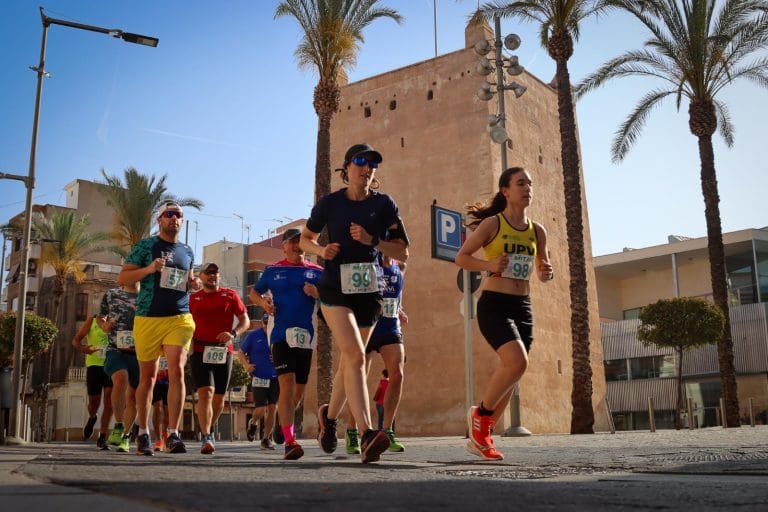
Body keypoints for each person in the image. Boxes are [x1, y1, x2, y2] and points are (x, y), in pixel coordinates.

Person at [300, 143, 409, 464]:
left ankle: (328, 417)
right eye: (360, 162)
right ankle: (366, 433)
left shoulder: (384, 204)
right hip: (335, 289)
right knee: (356, 356)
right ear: (346, 168)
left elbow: (403, 252)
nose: (367, 168)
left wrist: (372, 241)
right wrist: (321, 252)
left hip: (369, 293)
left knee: (351, 362)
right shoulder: (330, 204)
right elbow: (306, 237)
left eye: (372, 164)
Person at [455, 166, 554, 461]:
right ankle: (481, 418)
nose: (527, 188)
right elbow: (462, 258)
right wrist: (490, 265)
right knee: (516, 362)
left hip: (523, 307)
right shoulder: (492, 225)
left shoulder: (538, 230)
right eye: (520, 183)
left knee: (515, 372)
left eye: (530, 184)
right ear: (505, 191)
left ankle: (481, 437)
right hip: (494, 303)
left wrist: (547, 271)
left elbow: (543, 271)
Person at [118, 202, 200, 456]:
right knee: (148, 378)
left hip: (179, 317)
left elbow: (188, 280)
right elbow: (124, 278)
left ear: (182, 222)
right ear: (160, 219)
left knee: (176, 370)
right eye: (169, 214)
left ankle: (173, 434)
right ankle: (143, 432)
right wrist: (150, 269)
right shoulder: (145, 246)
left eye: (179, 216)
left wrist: (193, 282)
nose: (174, 219)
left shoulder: (187, 251)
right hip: (148, 318)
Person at [249, 228, 323, 461]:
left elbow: (333, 297)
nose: (295, 246)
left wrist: (318, 293)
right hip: (280, 334)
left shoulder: (318, 272)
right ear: (283, 246)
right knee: (287, 383)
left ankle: (284, 421)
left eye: (299, 241)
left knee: (297, 393)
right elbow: (253, 293)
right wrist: (264, 304)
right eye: (291, 242)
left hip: (306, 338)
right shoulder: (273, 270)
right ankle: (290, 440)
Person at [345, 254, 408, 454]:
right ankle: (353, 430)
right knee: (359, 378)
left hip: (390, 328)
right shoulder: (370, 263)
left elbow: (397, 294)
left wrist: (400, 309)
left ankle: (387, 430)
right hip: (367, 326)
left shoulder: (401, 266)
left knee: (397, 374)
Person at [189, 261, 249, 455]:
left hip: (224, 351)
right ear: (200, 276)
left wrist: (233, 333)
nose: (212, 276)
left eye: (215, 273)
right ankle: (206, 435)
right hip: (199, 349)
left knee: (219, 397)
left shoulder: (229, 295)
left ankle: (210, 427)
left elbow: (245, 320)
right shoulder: (193, 299)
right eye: (208, 273)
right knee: (205, 392)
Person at [97, 283, 140, 453]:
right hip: (116, 349)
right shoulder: (111, 294)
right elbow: (100, 317)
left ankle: (126, 437)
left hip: (139, 352)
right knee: (120, 379)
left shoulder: (148, 295)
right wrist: (104, 325)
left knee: (133, 397)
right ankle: (118, 426)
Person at [71, 315, 112, 449]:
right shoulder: (92, 320)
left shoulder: (116, 319)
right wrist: (84, 349)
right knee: (94, 402)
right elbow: (76, 340)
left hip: (111, 365)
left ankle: (102, 437)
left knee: (109, 400)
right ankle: (92, 417)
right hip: (94, 366)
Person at [237, 316, 278, 450]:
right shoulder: (254, 335)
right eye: (265, 323)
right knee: (261, 408)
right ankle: (253, 422)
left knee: (272, 408)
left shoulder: (278, 334)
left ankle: (266, 439)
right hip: (259, 376)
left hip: (276, 377)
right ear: (262, 323)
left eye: (270, 323)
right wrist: (246, 365)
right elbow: (241, 352)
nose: (267, 325)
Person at [151, 356, 169, 451]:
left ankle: (166, 435)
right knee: (157, 407)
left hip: (169, 378)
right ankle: (158, 439)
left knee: (168, 411)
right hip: (155, 379)